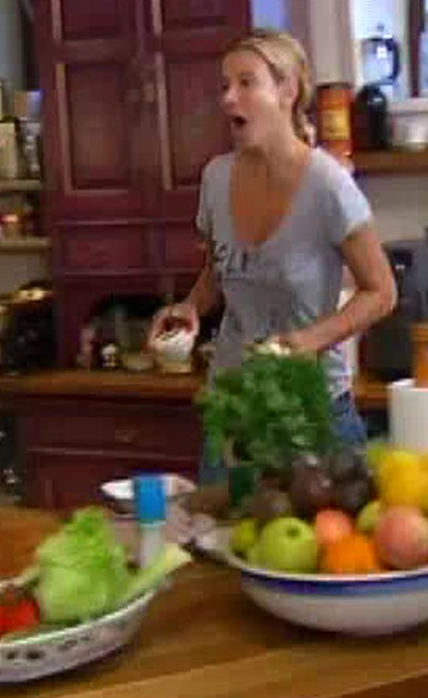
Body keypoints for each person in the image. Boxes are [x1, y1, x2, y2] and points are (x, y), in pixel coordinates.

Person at [147, 28, 396, 452]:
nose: (229, 98)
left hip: (312, 412)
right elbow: (220, 268)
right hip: (233, 407)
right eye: (224, 86)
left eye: (246, 83)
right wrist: (190, 307)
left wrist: (309, 340)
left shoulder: (327, 184)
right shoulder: (216, 177)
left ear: (287, 91)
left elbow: (382, 292)